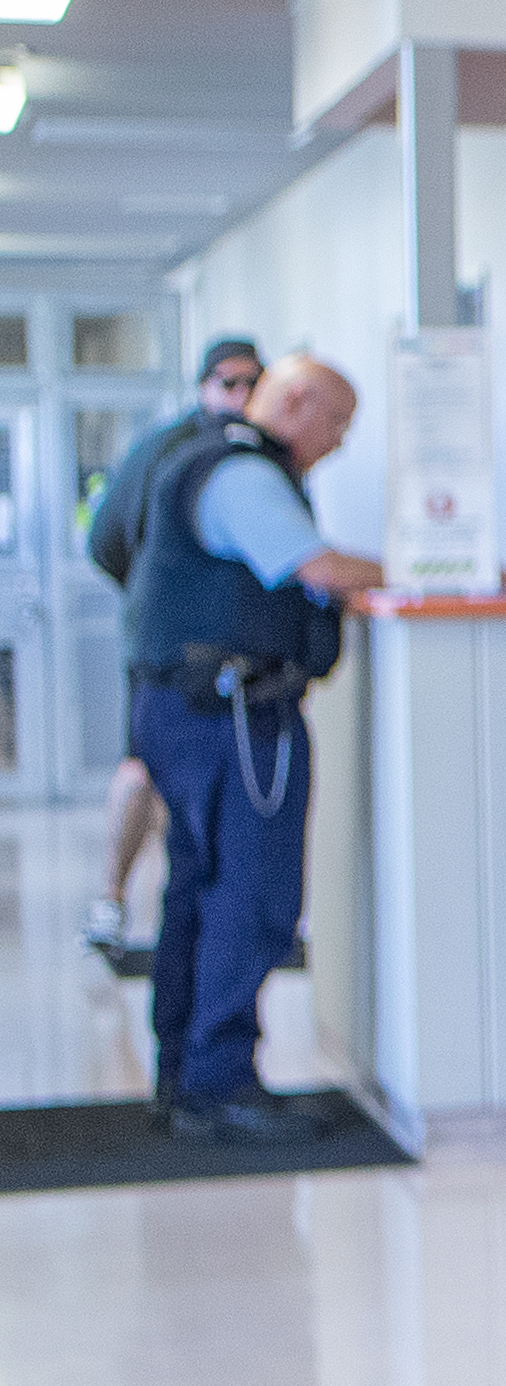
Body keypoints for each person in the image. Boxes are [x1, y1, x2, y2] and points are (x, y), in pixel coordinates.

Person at [120, 353, 374, 1141]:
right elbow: (320, 568)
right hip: (231, 714)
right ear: (294, 402)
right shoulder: (241, 474)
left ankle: (188, 1075)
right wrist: (426, 571)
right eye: (335, 424)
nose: (336, 445)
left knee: (198, 892)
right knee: (252, 897)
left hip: (188, 707)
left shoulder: (202, 459)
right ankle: (218, 1081)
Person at [82, 334, 267, 972]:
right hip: (163, 648)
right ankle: (110, 899)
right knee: (144, 769)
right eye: (227, 382)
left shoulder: (254, 453)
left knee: (191, 798)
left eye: (252, 383)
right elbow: (104, 538)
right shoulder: (170, 450)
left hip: (216, 654)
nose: (239, 396)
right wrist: (161, 594)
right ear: (202, 386)